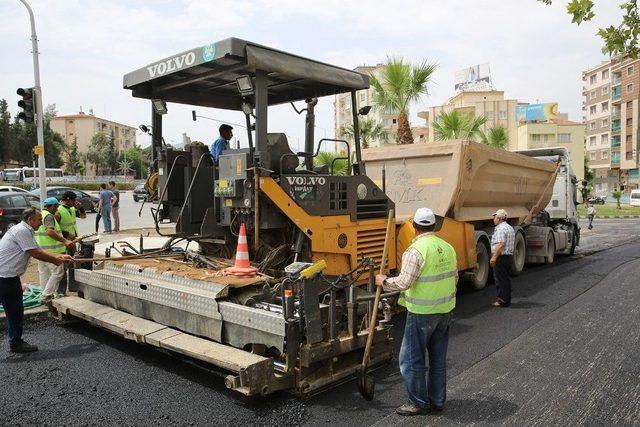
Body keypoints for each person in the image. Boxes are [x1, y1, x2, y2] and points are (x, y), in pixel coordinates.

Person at [375, 207, 458, 416]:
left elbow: (404, 282)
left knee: (411, 359)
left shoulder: (416, 250)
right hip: (445, 310)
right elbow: (454, 278)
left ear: (414, 226)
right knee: (438, 359)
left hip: (422, 313)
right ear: (433, 225)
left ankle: (418, 402)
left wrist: (383, 281)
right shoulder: (447, 247)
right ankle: (437, 401)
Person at [0, 207, 73, 353]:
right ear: (30, 220)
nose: (41, 222)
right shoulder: (21, 231)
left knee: (15, 311)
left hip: (10, 277)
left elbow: (38, 249)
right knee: (14, 310)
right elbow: (35, 253)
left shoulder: (25, 230)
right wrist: (55, 260)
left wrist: (60, 256)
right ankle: (16, 342)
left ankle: (16, 343)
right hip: (3, 278)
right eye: (39, 220)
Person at [35, 197, 75, 303]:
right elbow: (49, 232)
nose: (57, 209)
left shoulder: (40, 215)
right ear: (52, 206)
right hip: (52, 251)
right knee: (58, 272)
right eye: (56, 206)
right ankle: (46, 295)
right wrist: (65, 241)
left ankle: (45, 295)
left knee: (44, 273)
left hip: (41, 250)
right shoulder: (48, 216)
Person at [490, 209, 515, 308]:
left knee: (500, 280)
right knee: (505, 279)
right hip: (508, 257)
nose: (493, 219)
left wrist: (494, 257)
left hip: (501, 257)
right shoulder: (509, 228)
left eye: (495, 217)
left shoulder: (500, 229)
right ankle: (507, 300)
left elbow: (501, 244)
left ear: (499, 219)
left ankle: (502, 301)